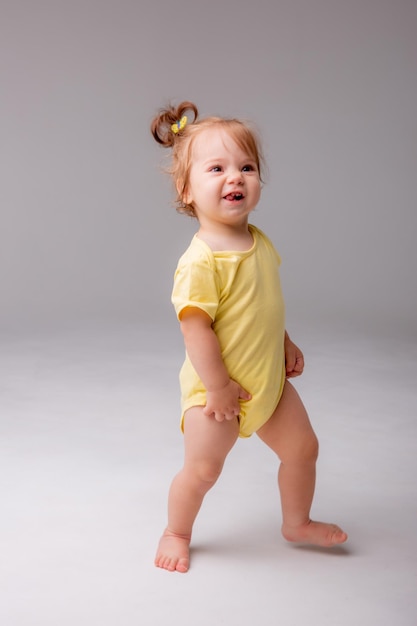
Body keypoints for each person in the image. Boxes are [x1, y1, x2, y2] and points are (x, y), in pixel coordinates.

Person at [151, 101, 347, 573]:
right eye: (216, 168)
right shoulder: (201, 261)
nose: (234, 178)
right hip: (214, 391)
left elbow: (262, 305)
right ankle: (176, 531)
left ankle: (296, 522)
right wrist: (217, 388)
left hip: (266, 383)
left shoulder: (259, 240)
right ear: (187, 189)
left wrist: (284, 342)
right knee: (203, 471)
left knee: (304, 449)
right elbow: (194, 329)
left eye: (246, 167)